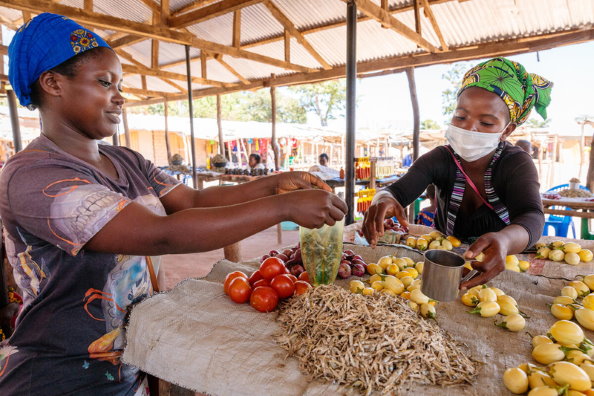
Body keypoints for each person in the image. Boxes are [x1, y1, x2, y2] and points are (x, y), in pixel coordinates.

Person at [0, 13, 347, 395]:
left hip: (132, 363)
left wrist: (276, 185)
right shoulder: (35, 176)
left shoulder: (127, 161)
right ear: (52, 83)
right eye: (104, 82)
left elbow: (193, 201)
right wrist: (283, 208)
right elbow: (159, 235)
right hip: (62, 375)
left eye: (119, 84)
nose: (119, 96)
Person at [363, 57, 551, 289]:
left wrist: (505, 240)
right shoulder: (440, 158)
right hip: (442, 266)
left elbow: (532, 216)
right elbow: (396, 192)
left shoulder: (516, 163)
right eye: (460, 117)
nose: (468, 128)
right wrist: (383, 200)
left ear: (507, 130)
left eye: (486, 123)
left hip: (498, 268)